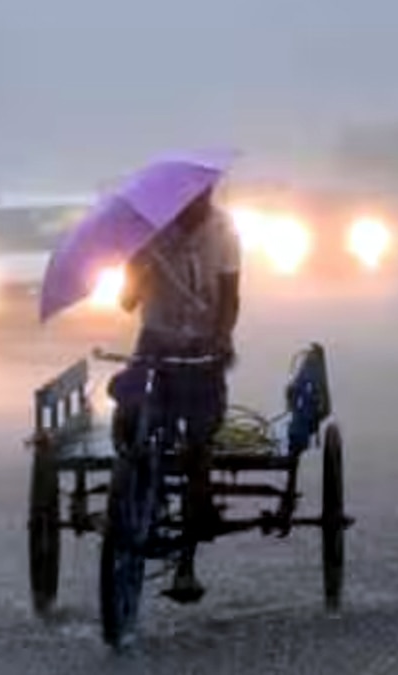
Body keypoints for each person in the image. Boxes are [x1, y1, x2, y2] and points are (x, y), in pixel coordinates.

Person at [109, 184, 241, 604]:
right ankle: (137, 487)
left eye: (202, 199)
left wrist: (221, 338)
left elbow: (230, 297)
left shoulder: (224, 231)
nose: (195, 207)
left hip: (203, 347)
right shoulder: (150, 234)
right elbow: (127, 302)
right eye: (186, 201)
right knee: (130, 418)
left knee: (198, 444)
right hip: (155, 343)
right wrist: (141, 268)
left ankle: (188, 556)